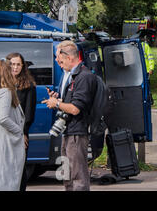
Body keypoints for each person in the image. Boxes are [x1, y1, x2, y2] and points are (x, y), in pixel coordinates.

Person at [42, 40, 97, 191]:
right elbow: (72, 101)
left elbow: (75, 109)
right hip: (68, 132)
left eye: (60, 61)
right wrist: (59, 99)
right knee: (67, 175)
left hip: (77, 133)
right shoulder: (72, 76)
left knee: (78, 176)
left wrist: (57, 104)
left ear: (69, 58)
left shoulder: (84, 77)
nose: (59, 64)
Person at [0, 59, 25, 191]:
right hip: (6, 140)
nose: (15, 70)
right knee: (5, 179)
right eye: (12, 68)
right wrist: (18, 131)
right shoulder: (5, 92)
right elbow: (3, 118)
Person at [6, 53, 37, 192]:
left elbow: (29, 113)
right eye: (12, 64)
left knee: (19, 168)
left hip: (20, 133)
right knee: (5, 168)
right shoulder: (2, 83)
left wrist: (23, 133)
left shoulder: (28, 85)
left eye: (18, 64)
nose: (15, 67)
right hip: (4, 133)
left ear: (23, 66)